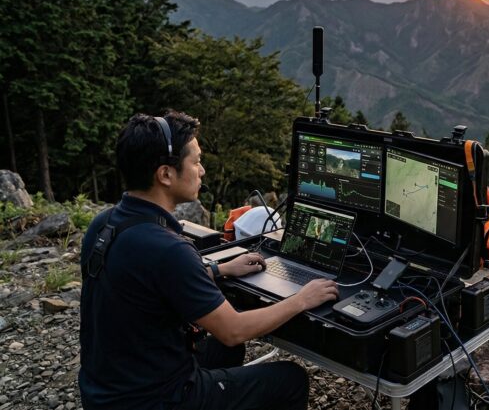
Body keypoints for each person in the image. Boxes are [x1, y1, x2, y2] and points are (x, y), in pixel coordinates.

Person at [79, 111, 340, 410]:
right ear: (165, 174)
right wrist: (301, 299)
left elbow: (144, 279)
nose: (201, 171)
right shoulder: (169, 250)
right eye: (196, 161)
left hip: (106, 393)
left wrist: (219, 268)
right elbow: (233, 330)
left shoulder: (105, 224)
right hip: (155, 399)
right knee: (290, 380)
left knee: (220, 351)